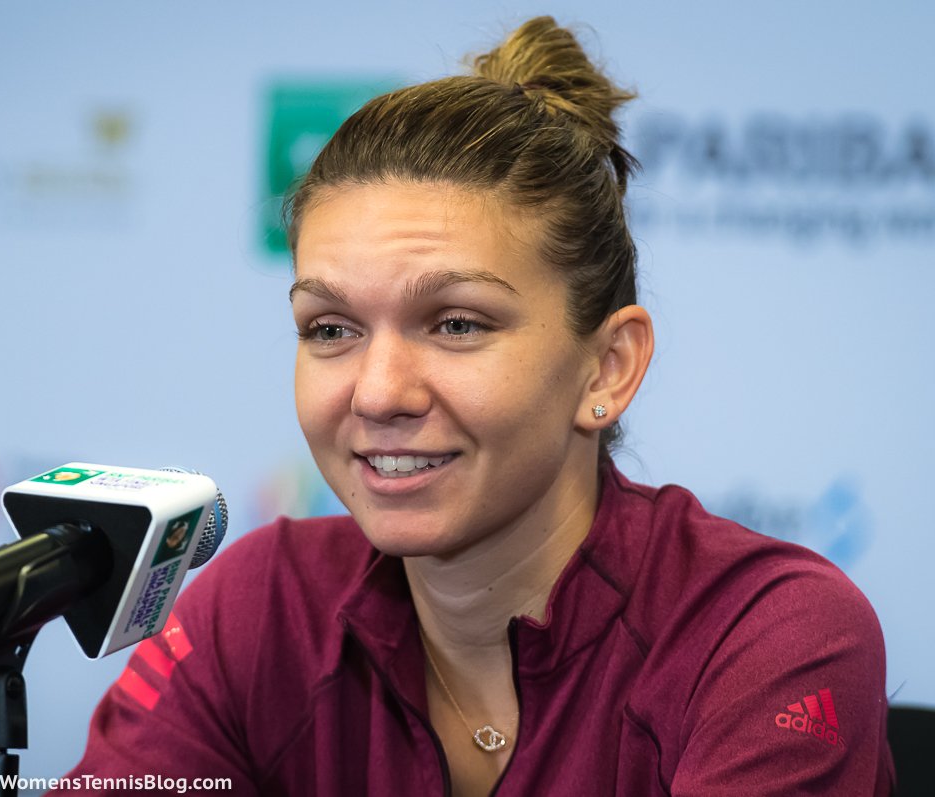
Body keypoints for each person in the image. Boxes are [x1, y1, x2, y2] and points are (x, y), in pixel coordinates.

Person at [52, 16, 894, 795]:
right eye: (331, 328)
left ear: (607, 368)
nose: (379, 392)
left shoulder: (768, 637)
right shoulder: (263, 606)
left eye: (456, 323)